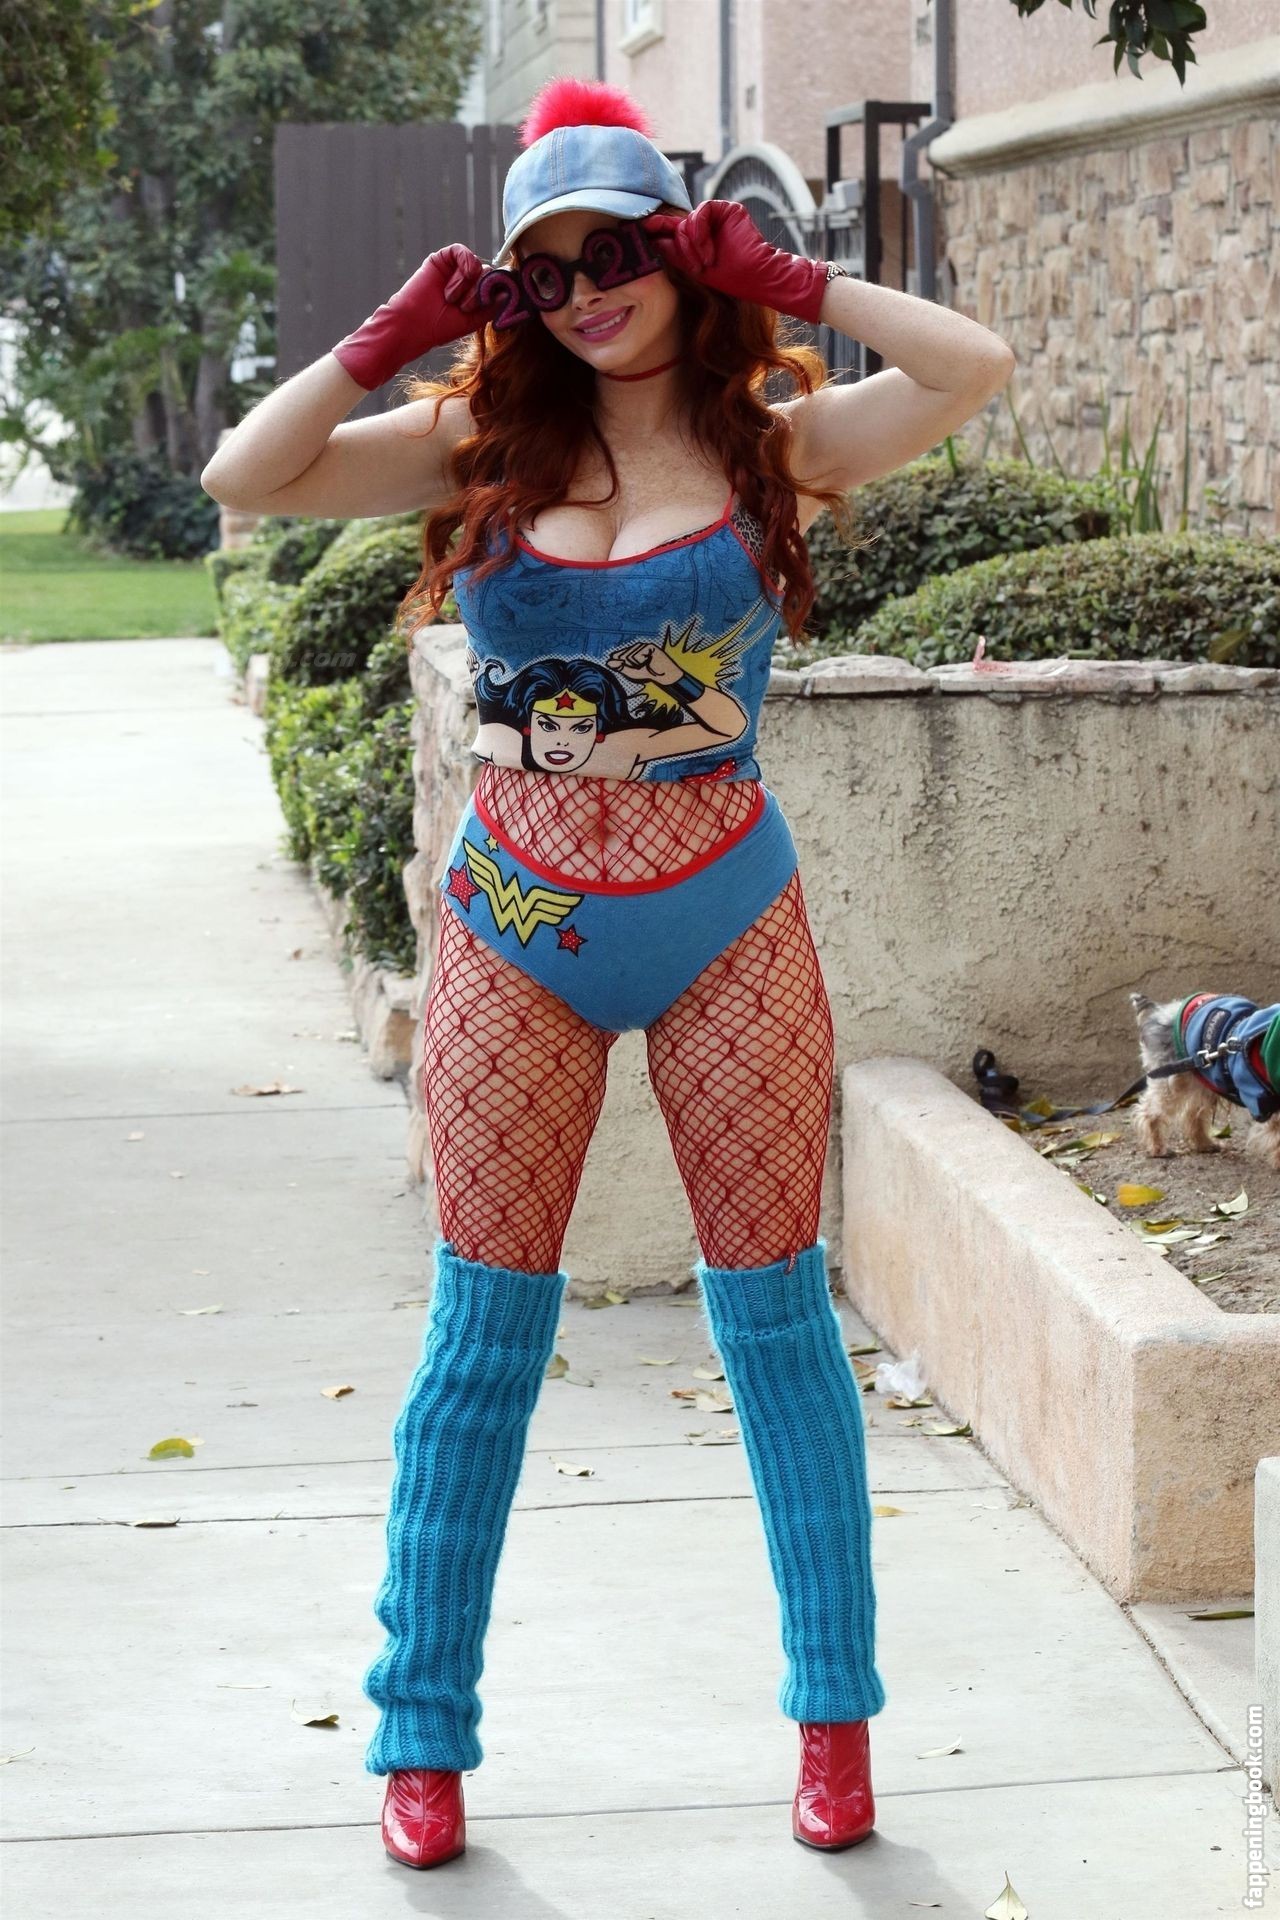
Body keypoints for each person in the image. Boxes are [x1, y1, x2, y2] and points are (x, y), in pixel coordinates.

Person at [202, 73, 1014, 1875]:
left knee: (776, 1320)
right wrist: (385, 340)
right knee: (484, 1333)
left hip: (727, 916)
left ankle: (835, 1727)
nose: (587, 295)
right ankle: (420, 1737)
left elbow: (972, 367)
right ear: (517, 289)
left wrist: (792, 282)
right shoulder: (475, 440)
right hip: (518, 927)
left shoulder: (772, 441)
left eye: (618, 255)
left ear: (679, 249)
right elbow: (243, 478)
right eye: (548, 269)